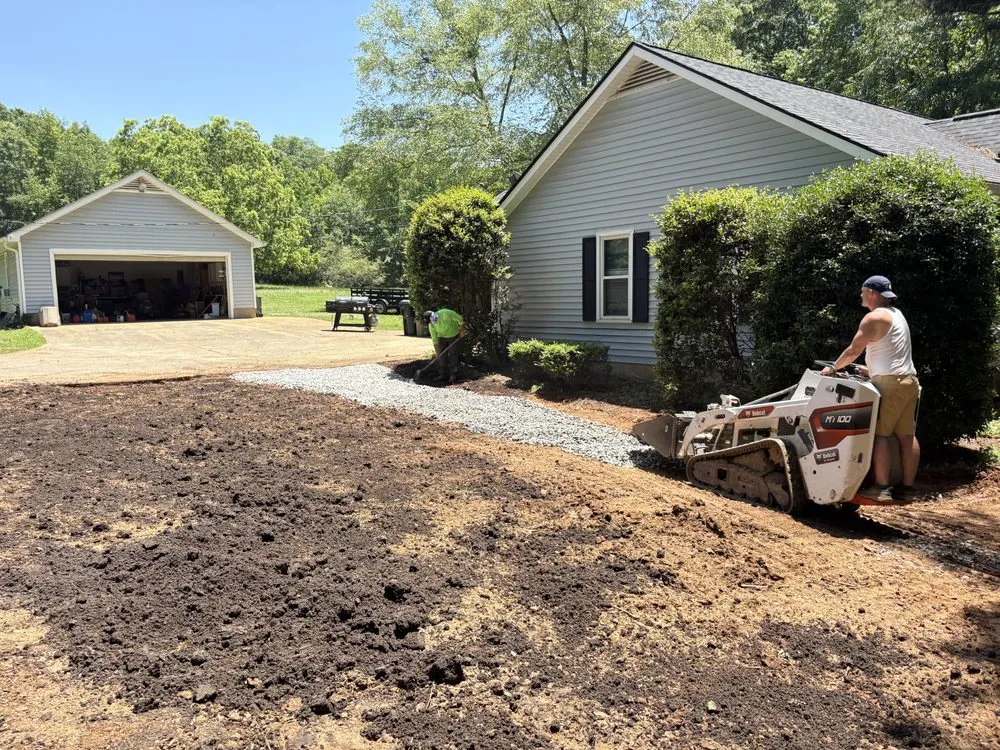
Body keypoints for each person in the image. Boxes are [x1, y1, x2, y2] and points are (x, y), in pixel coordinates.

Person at [821, 276, 920, 502]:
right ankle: (907, 489)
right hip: (908, 382)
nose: (860, 295)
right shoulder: (897, 314)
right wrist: (871, 370)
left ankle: (882, 489)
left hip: (890, 384)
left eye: (862, 291)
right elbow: (892, 353)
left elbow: (853, 350)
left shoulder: (873, 317)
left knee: (879, 435)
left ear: (871, 293)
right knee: (906, 436)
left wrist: (832, 369)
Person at [423, 307, 466, 383]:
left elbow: (460, 319)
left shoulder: (446, 313)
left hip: (453, 335)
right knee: (441, 356)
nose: (431, 323)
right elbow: (434, 339)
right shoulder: (431, 325)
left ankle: (453, 374)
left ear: (433, 317)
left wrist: (462, 330)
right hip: (442, 337)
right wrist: (437, 352)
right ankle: (442, 374)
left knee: (453, 354)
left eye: (430, 321)